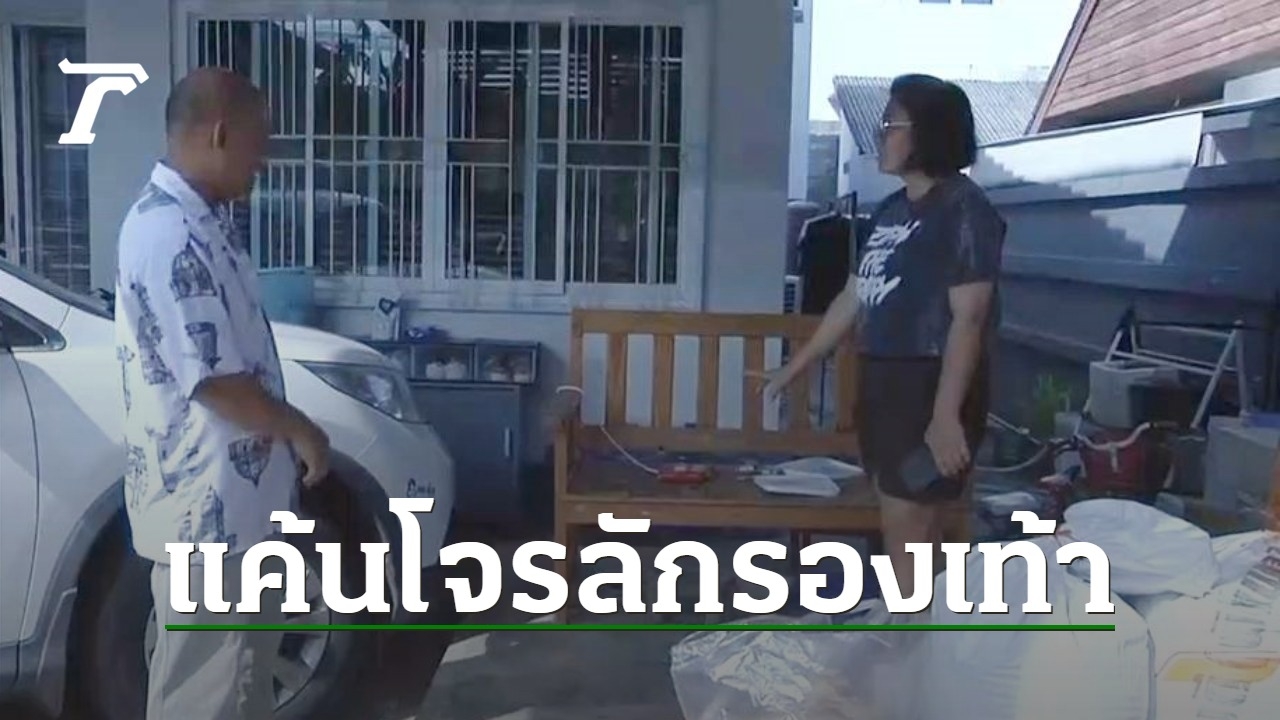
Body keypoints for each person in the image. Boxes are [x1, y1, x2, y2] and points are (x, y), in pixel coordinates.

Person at [114, 67, 331, 719]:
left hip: (235, 517)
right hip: (208, 527)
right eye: (257, 142)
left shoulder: (200, 222)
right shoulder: (169, 235)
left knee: (237, 687)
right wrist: (302, 429)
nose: (262, 161)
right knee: (208, 694)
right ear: (218, 134)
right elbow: (214, 380)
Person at [759, 74, 1005, 608]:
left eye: (892, 123)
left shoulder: (965, 209)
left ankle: (916, 646)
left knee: (909, 524)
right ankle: (926, 640)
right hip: (884, 386)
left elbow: (969, 320)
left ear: (929, 132)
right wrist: (794, 368)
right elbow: (853, 297)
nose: (881, 134)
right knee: (907, 526)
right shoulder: (890, 210)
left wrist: (945, 417)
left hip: (929, 388)